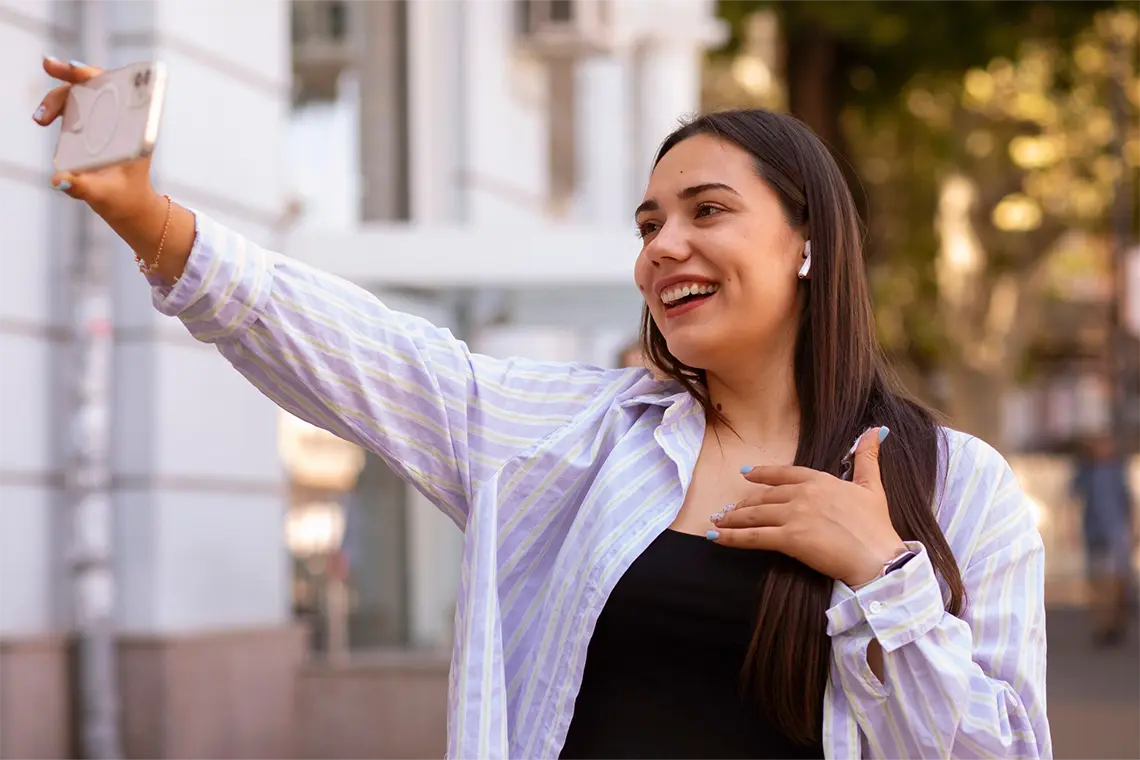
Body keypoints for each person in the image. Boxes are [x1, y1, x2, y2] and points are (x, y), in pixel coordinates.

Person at [36, 57, 1049, 759]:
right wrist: (149, 219)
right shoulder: (580, 441)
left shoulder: (958, 489)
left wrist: (884, 576)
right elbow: (373, 354)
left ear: (806, 241)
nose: (663, 246)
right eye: (650, 222)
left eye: (708, 211)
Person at [1071, 432, 1135, 646]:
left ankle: (1115, 621)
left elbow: (1127, 502)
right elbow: (1073, 496)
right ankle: (1102, 624)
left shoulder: (1116, 471)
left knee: (1117, 579)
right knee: (1097, 580)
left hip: (1114, 531)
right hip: (1094, 531)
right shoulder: (1086, 471)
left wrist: (1131, 529)